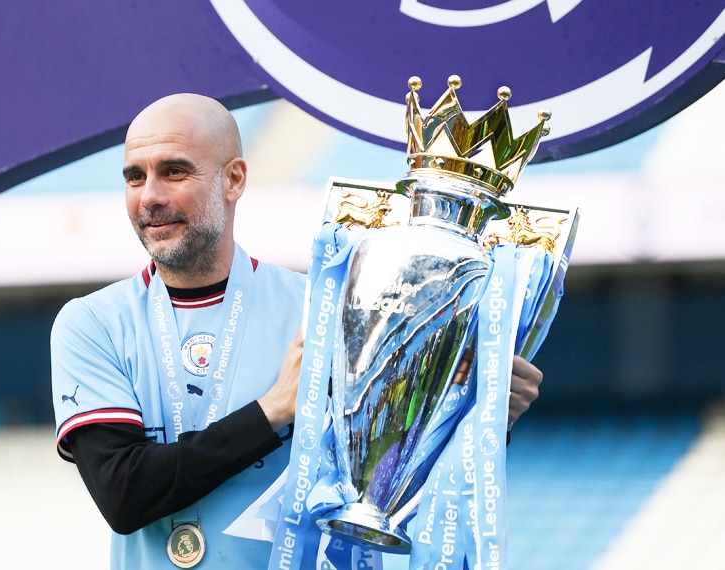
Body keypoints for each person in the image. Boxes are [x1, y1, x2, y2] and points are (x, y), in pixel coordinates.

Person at [50, 93, 543, 569]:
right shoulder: (92, 323)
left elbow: (381, 485)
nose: (150, 197)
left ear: (234, 179)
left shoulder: (324, 308)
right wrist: (275, 411)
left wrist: (478, 420)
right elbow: (124, 495)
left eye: (174, 171)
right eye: (135, 178)